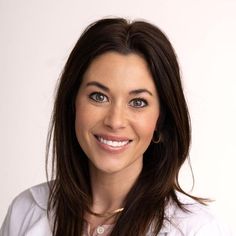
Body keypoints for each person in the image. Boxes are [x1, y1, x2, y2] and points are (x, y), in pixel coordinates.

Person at [0, 17, 231, 236]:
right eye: (99, 97)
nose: (115, 121)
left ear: (160, 118)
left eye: (138, 102)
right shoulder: (26, 212)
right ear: (73, 103)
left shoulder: (196, 229)